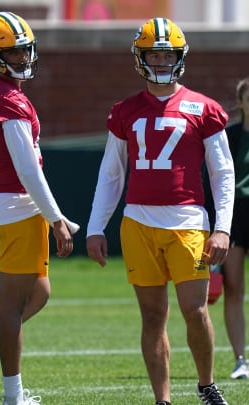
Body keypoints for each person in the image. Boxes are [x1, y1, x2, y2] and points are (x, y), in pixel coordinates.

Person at [86, 17, 234, 405]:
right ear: (140, 57)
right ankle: (162, 399)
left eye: (167, 54)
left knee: (195, 310)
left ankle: (205, 384)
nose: (162, 61)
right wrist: (95, 227)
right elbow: (111, 173)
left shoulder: (204, 108)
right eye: (154, 53)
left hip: (187, 222)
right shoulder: (125, 111)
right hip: (138, 222)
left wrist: (222, 229)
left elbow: (223, 174)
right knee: (152, 316)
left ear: (180, 57)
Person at [0, 12, 79, 405]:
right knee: (12, 307)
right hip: (16, 207)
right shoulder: (10, 100)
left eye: (25, 51)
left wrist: (53, 216)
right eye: (14, 53)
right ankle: (13, 396)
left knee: (38, 294)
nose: (23, 59)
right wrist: (56, 219)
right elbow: (27, 170)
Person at [219, 77, 249, 380]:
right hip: (234, 215)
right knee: (234, 290)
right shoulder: (229, 136)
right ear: (241, 102)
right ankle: (240, 359)